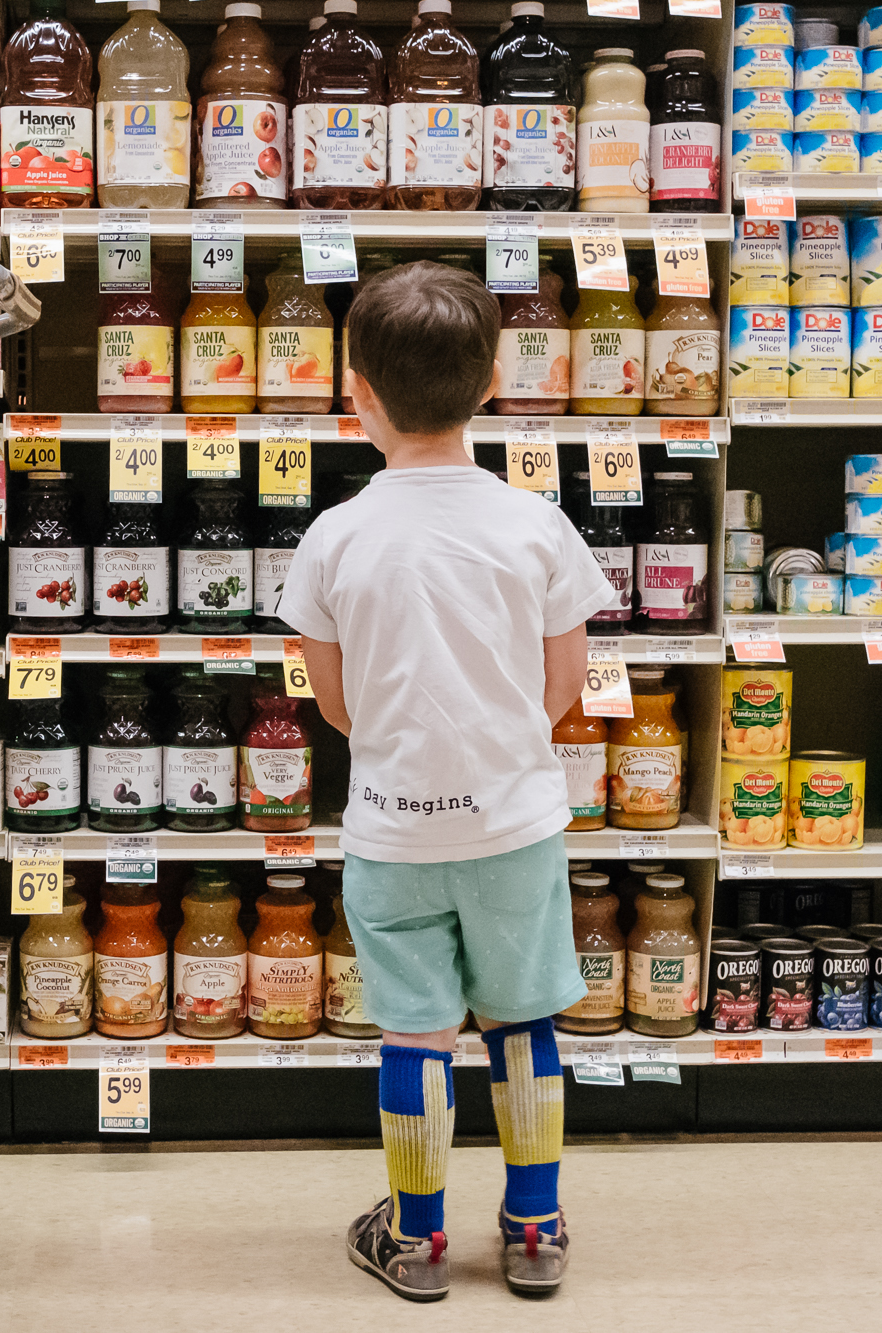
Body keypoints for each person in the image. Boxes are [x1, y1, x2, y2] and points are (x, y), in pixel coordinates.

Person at [275, 262, 613, 1302]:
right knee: (523, 1023)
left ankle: (416, 1240)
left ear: (354, 390)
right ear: (496, 377)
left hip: (391, 831)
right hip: (515, 824)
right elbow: (564, 687)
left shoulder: (332, 535)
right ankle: (534, 1224)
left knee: (414, 1032)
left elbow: (333, 708)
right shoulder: (534, 525)